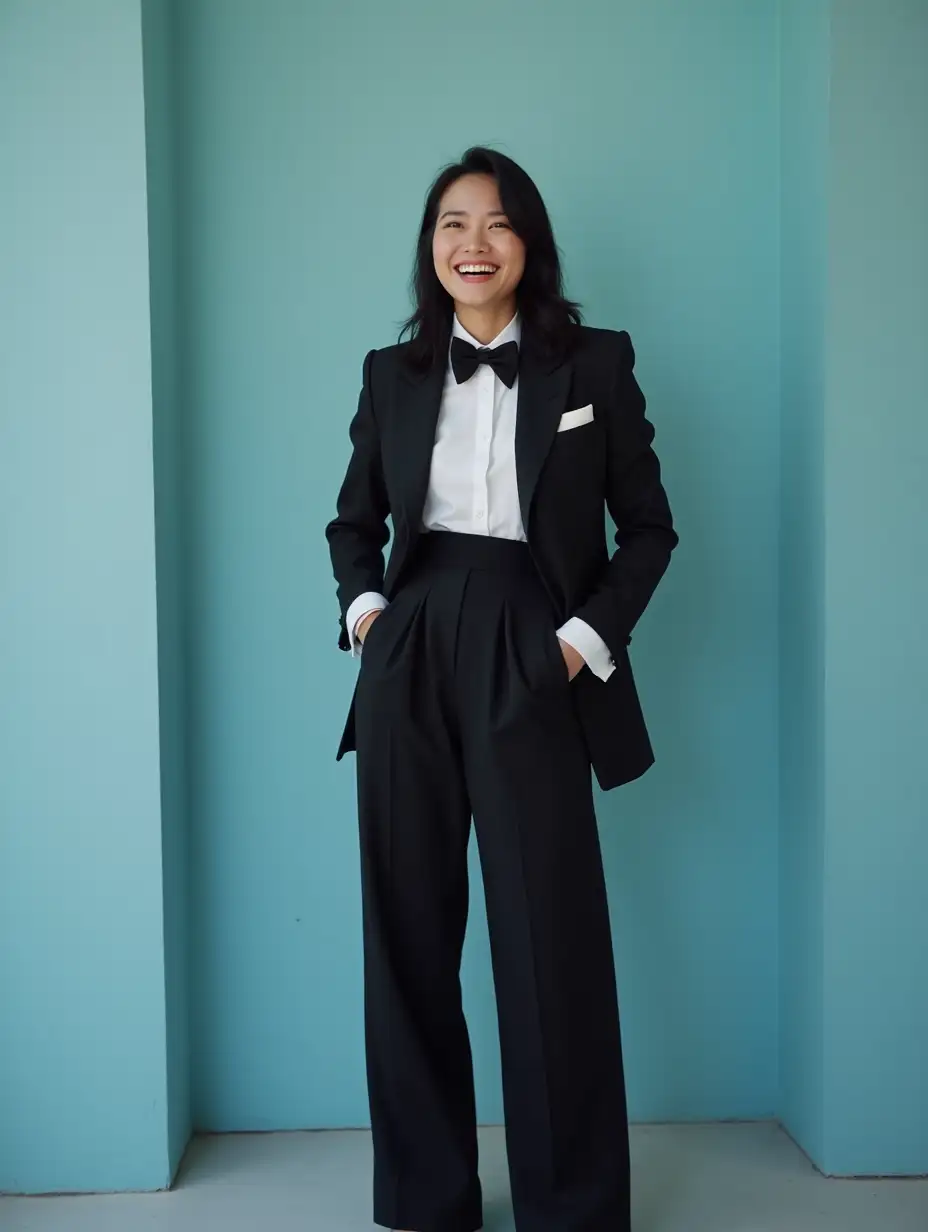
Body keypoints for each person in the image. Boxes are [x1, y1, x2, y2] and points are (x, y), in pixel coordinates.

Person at [325, 145, 678, 1232]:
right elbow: (354, 523)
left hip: (534, 646)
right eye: (450, 224)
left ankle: (568, 1203)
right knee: (407, 933)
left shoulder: (595, 364)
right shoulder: (392, 373)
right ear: (430, 249)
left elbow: (649, 531)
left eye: (495, 223)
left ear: (529, 241)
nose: (471, 244)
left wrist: (576, 641)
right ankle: (427, 1195)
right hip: (412, 645)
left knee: (548, 936)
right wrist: (367, 615)